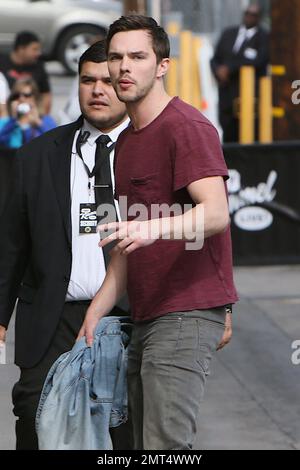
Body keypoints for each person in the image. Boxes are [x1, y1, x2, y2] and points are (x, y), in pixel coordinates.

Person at [79, 15, 238, 450]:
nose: (124, 67)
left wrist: (152, 228)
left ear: (162, 65)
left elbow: (217, 214)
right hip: (145, 313)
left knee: (165, 445)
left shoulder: (186, 127)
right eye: (116, 57)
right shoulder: (127, 141)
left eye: (137, 56)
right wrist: (95, 312)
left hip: (185, 312)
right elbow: (126, 248)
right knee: (140, 443)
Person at [0, 40, 131, 450]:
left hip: (130, 319)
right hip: (52, 321)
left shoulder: (154, 151)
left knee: (125, 432)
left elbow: (199, 235)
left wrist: (221, 306)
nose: (97, 90)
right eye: (87, 80)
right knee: (35, 420)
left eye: (108, 82)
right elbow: (10, 247)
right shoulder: (37, 156)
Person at [210, 4, 269, 142]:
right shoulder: (228, 33)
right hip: (226, 93)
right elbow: (214, 58)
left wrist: (229, 69)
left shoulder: (264, 37)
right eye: (247, 13)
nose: (249, 16)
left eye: (253, 14)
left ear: (259, 18)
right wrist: (218, 72)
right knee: (228, 134)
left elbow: (259, 60)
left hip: (249, 97)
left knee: (250, 136)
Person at [0, 31, 52, 114]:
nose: (38, 53)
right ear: (21, 49)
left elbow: (46, 95)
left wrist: (42, 117)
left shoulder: (39, 67)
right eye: (34, 49)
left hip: (31, 114)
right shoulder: (2, 63)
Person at [0, 78, 56, 149]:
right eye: (17, 96)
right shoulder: (6, 122)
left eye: (27, 95)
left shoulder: (46, 120)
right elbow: (1, 141)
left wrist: (38, 123)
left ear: (35, 98)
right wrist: (14, 120)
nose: (21, 99)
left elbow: (54, 141)